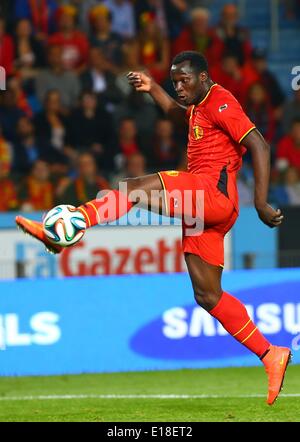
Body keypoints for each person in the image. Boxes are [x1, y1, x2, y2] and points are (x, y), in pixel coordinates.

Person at [16, 50, 291, 405]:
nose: (177, 87)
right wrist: (151, 88)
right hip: (206, 208)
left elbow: (260, 144)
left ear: (203, 78)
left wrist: (261, 201)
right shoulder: (197, 104)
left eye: (183, 80)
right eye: (174, 81)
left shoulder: (221, 101)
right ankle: (270, 353)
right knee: (207, 294)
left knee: (133, 188)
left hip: (212, 193)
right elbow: (178, 117)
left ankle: (73, 225)